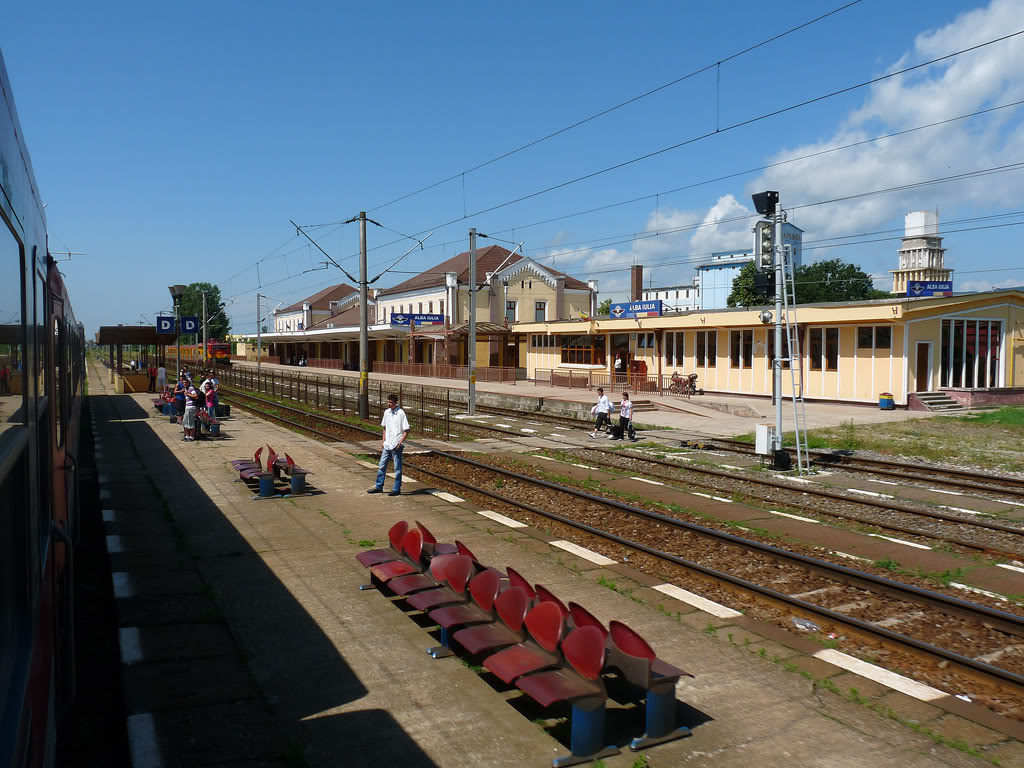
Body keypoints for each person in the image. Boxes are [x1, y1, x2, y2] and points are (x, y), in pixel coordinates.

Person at [368, 392, 409, 496]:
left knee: (397, 468)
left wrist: (400, 442)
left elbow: (406, 430)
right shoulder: (387, 412)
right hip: (387, 444)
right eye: (388, 402)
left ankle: (396, 489)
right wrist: (383, 440)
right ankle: (379, 486)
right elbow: (385, 427)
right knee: (382, 465)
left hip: (396, 444)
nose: (389, 404)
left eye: (390, 402)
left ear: (395, 402)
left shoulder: (401, 413)